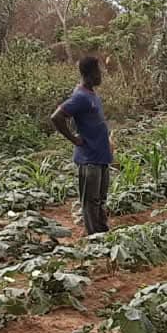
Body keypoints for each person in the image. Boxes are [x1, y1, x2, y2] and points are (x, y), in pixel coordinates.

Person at [51, 56, 113, 236]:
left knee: (100, 200)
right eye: (98, 71)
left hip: (101, 157)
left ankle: (102, 232)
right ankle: (94, 236)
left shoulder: (92, 95)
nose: (101, 75)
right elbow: (56, 117)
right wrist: (74, 139)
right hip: (89, 158)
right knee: (91, 202)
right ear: (90, 74)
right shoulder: (81, 97)